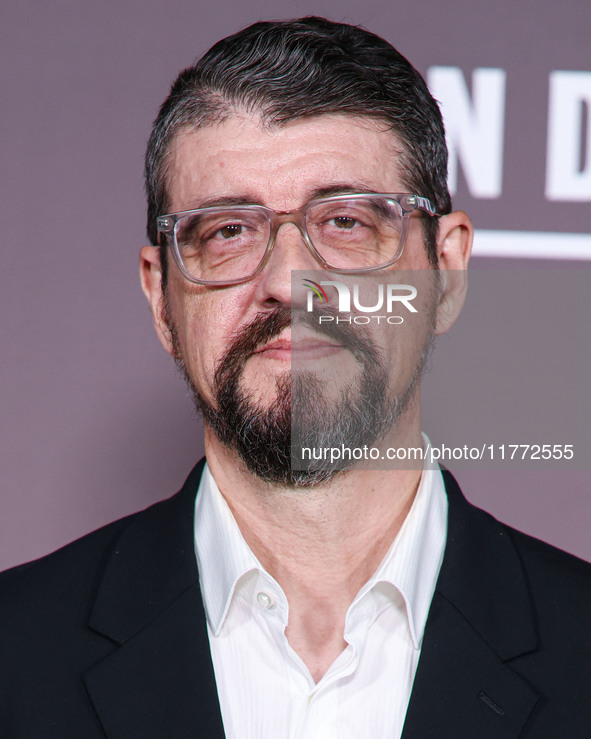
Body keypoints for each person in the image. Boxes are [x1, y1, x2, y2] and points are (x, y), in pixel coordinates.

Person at [1, 17, 590, 739]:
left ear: (446, 270)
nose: (286, 280)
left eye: (345, 222)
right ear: (161, 298)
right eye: (227, 231)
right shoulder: (15, 653)